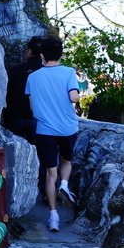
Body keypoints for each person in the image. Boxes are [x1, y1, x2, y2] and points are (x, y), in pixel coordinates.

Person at [24, 36, 79, 232]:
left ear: (41, 55)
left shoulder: (33, 77)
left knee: (50, 173)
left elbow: (32, 106)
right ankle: (64, 184)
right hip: (67, 128)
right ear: (61, 55)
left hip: (44, 130)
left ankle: (53, 217)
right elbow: (73, 96)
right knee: (67, 160)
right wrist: (79, 96)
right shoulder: (69, 72)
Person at [2, 36, 45, 142]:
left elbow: (9, 95)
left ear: (29, 51)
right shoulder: (48, 72)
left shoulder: (16, 70)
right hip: (39, 120)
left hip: (16, 118)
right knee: (39, 155)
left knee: (14, 152)